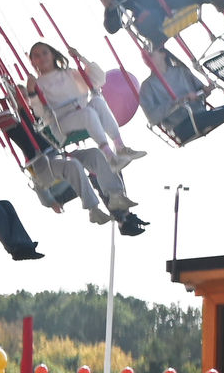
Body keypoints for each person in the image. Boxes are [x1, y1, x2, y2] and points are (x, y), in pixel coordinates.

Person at [22, 42, 146, 233]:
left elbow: (98, 80)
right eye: (36, 56)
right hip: (61, 125)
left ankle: (118, 149)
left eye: (45, 53)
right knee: (88, 115)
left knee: (96, 101)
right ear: (32, 61)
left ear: (53, 54)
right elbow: (39, 113)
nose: (42, 58)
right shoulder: (38, 85)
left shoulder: (69, 73)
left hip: (82, 116)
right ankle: (110, 157)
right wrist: (31, 93)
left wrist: (81, 58)